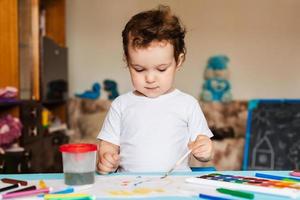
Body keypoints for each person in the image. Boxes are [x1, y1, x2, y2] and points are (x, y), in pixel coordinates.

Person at [97, 5, 213, 174]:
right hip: (128, 186)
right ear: (127, 61)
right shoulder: (121, 105)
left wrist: (205, 150)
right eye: (139, 69)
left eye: (161, 69)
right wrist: (107, 157)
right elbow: (108, 144)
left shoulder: (187, 104)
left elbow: (204, 150)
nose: (150, 79)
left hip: (176, 185)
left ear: (178, 61)